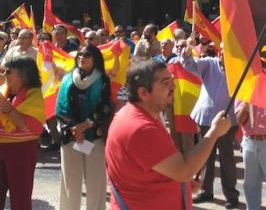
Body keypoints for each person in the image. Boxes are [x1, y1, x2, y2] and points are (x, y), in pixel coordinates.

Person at [105, 60, 231, 210]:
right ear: (143, 93)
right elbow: (184, 170)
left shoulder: (143, 115)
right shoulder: (141, 128)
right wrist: (214, 132)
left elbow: (154, 168)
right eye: (166, 83)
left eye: (171, 80)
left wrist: (180, 185)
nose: (174, 86)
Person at [176, 42, 239, 208]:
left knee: (227, 158)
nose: (223, 55)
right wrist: (188, 50)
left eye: (228, 52)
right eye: (223, 51)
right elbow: (189, 64)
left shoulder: (239, 69)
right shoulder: (209, 63)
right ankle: (206, 190)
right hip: (206, 117)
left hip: (228, 120)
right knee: (205, 156)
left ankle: (231, 196)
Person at [56, 44, 113, 210]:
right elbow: (60, 108)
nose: (82, 57)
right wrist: (74, 128)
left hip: (94, 136)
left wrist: (87, 124)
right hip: (71, 136)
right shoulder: (67, 79)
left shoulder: (103, 80)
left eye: (87, 55)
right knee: (70, 183)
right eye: (80, 54)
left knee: (95, 182)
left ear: (95, 59)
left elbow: (105, 107)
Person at [0, 57, 45, 210]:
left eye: (8, 72)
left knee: (20, 196)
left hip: (21, 151)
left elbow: (25, 126)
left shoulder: (35, 96)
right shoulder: (4, 90)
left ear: (23, 75)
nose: (4, 74)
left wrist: (5, 106)